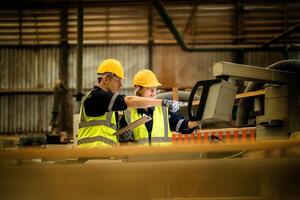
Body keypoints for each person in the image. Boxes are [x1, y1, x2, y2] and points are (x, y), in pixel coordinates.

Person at [77, 59, 176, 148]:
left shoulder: (105, 103)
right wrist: (163, 103)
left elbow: (106, 132)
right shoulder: (96, 97)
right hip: (93, 155)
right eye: (118, 80)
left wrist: (122, 135)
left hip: (101, 155)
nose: (121, 85)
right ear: (106, 79)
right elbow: (128, 101)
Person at [119, 69, 200, 146]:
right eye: (149, 89)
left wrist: (200, 120)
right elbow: (122, 140)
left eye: (154, 88)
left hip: (162, 158)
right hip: (140, 159)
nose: (153, 92)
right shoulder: (128, 113)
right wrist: (124, 138)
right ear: (138, 89)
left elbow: (183, 125)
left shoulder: (164, 109)